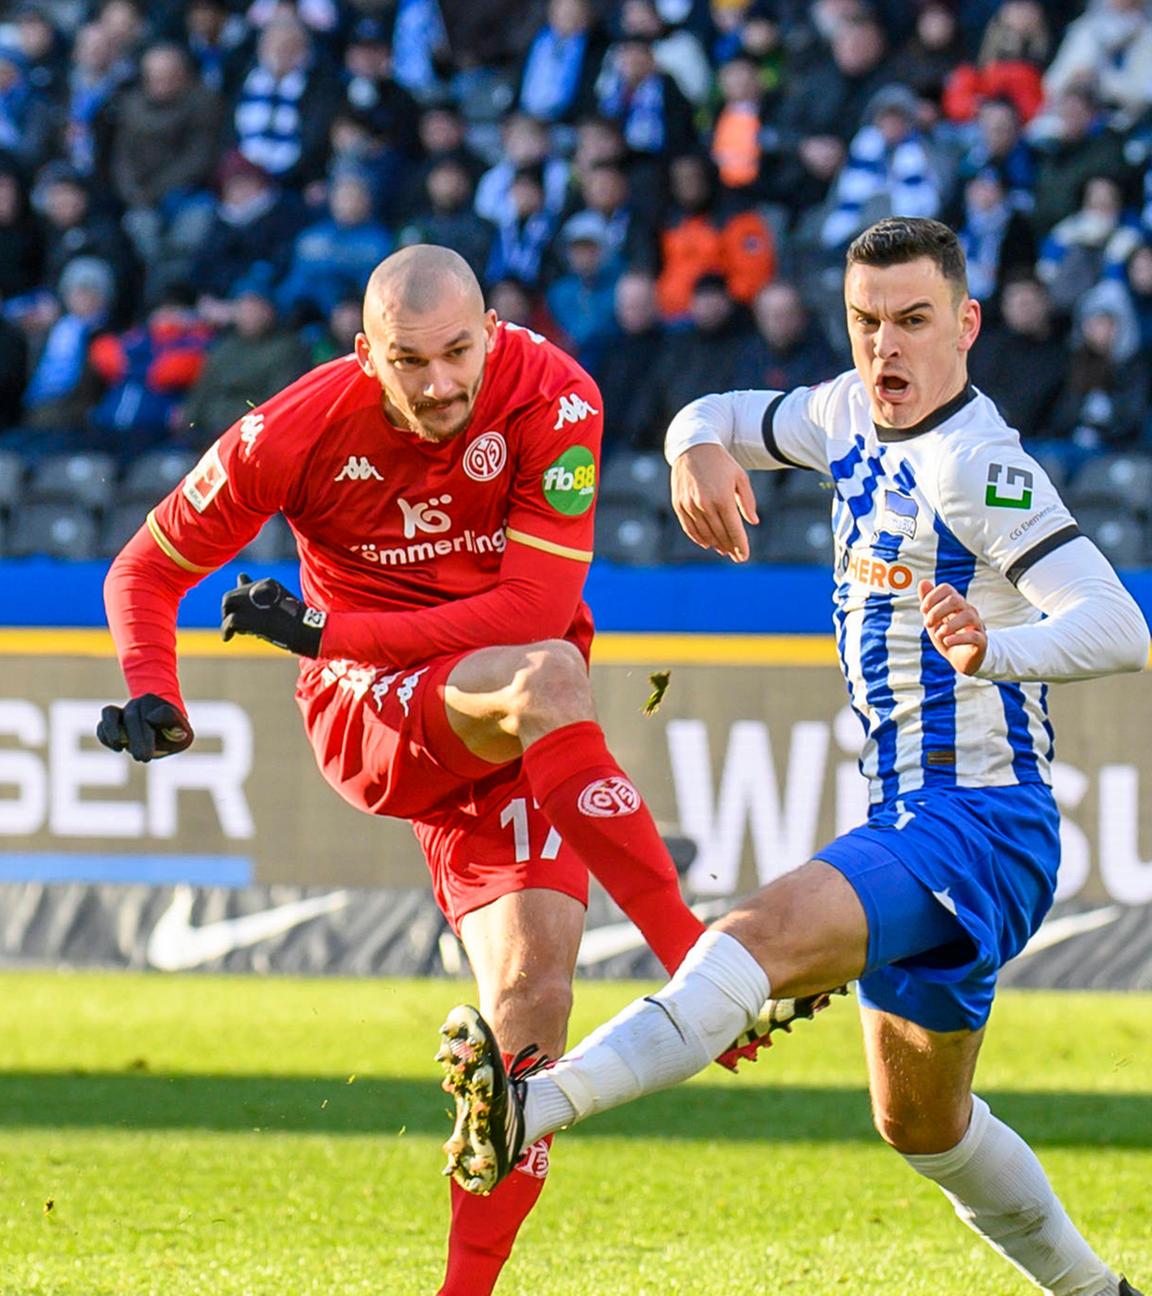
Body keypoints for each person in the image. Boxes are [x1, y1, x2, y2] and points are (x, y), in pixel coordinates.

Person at [437, 218, 1149, 1296]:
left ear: (965, 325)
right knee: (924, 1127)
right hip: (907, 814)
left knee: (752, 935)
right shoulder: (843, 414)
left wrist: (996, 648)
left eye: (914, 322)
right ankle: (1099, 1294)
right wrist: (696, 451)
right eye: (866, 323)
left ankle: (535, 1104)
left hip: (982, 819)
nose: (885, 350)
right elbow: (713, 412)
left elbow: (1119, 625)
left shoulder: (979, 466)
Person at [96, 245, 816, 1296]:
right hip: (370, 711)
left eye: (457, 353)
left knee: (531, 1014)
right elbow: (145, 569)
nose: (439, 384)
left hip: (498, 717)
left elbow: (526, 605)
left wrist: (324, 624)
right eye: (409, 362)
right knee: (555, 674)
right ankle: (703, 972)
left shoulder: (556, 396)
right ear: (364, 355)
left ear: (492, 328)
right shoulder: (295, 428)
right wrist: (154, 685)